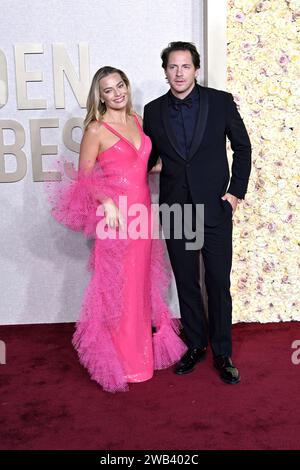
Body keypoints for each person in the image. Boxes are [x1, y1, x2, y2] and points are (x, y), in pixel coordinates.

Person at [48, 66, 187, 393]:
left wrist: (181, 165)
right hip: (116, 219)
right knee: (116, 290)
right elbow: (83, 178)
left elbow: (141, 166)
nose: (117, 93)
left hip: (142, 214)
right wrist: (107, 202)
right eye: (108, 90)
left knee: (140, 287)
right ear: (101, 96)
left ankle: (140, 361)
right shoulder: (96, 130)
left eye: (120, 85)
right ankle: (121, 362)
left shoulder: (138, 121)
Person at [143, 42, 252, 384]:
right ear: (165, 71)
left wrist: (234, 194)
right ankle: (196, 345)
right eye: (172, 67)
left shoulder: (220, 101)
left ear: (196, 69)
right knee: (187, 283)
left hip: (215, 209)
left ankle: (222, 352)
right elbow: (147, 159)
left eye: (185, 66)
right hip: (176, 210)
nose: (179, 73)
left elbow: (243, 147)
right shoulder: (153, 110)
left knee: (218, 283)